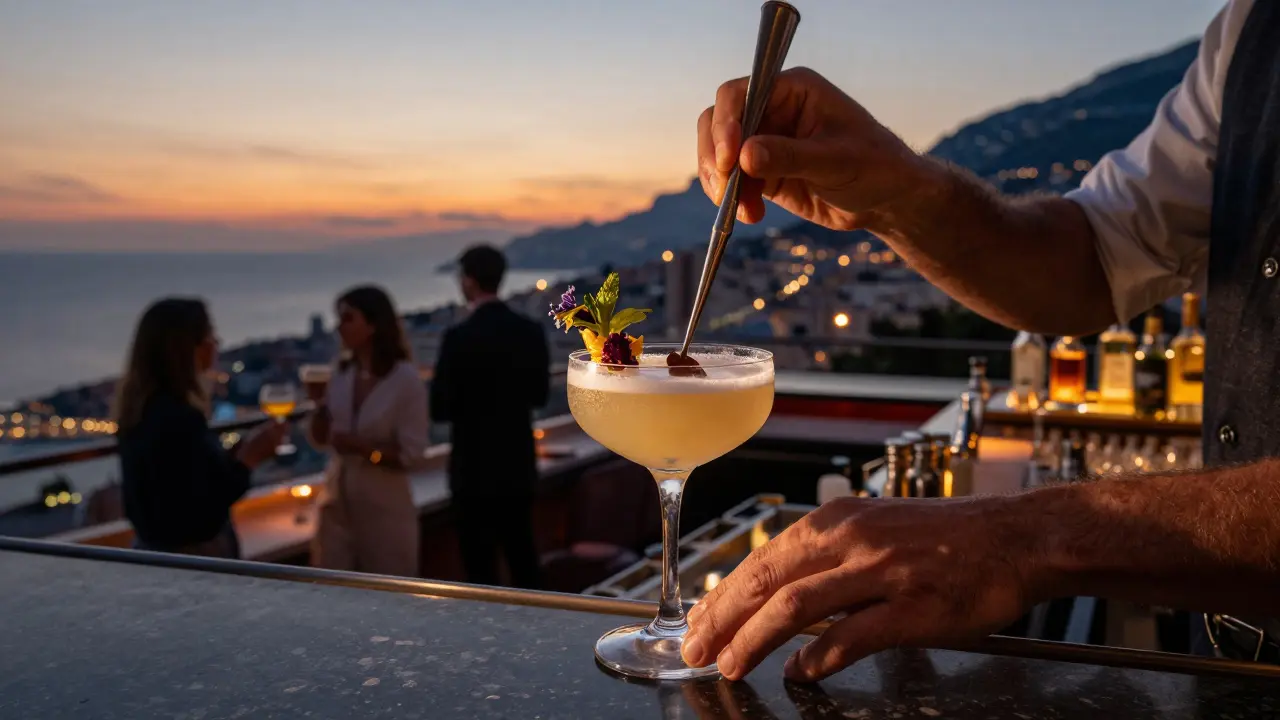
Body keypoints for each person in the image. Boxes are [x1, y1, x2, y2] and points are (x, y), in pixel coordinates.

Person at [683, 0, 1280, 682]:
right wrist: (895, 195)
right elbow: (1094, 258)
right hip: (1235, 665)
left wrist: (1025, 537)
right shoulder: (1248, 28)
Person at [116, 298, 286, 559]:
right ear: (192, 348)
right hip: (194, 555)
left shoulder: (140, 411)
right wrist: (250, 459)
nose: (216, 344)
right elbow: (202, 509)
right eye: (211, 336)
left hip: (150, 548)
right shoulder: (179, 417)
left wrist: (230, 456)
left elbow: (184, 479)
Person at [430, 245, 550, 589]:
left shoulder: (457, 337)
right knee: (524, 558)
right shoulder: (529, 331)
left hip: (472, 469)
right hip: (517, 463)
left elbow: (439, 409)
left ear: (468, 281)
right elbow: (540, 395)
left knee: (479, 568)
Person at [308, 285, 429, 576]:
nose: (339, 327)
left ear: (373, 324)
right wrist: (319, 409)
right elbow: (320, 440)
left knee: (388, 596)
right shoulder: (340, 373)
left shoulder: (405, 381)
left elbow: (411, 455)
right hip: (337, 505)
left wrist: (362, 447)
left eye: (348, 318)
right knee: (332, 593)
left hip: (385, 508)